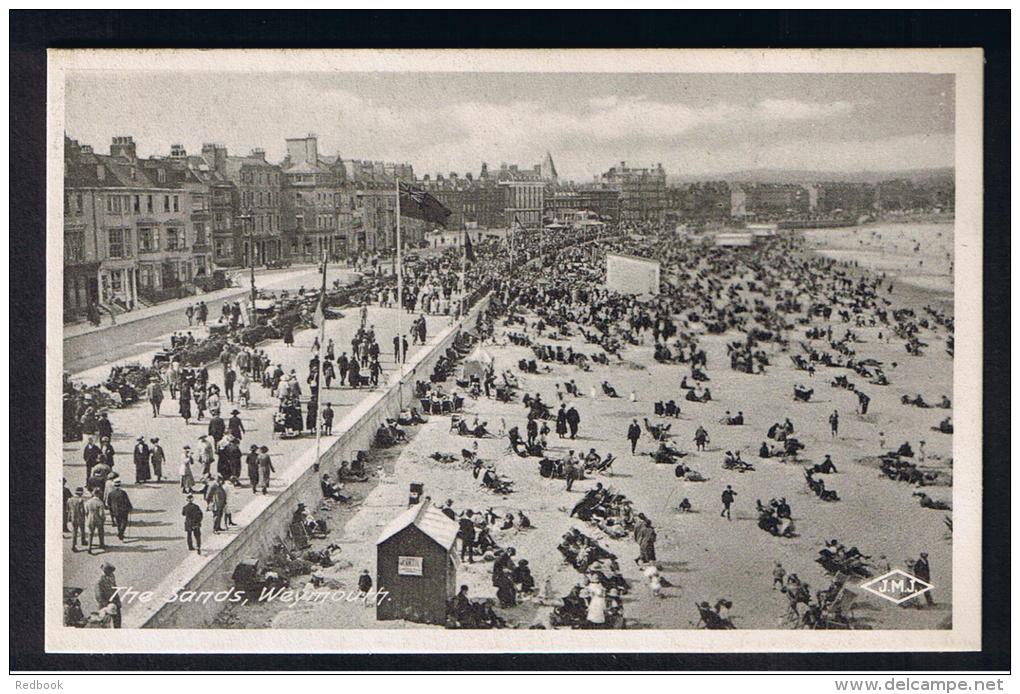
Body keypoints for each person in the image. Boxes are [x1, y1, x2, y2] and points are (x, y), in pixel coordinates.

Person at [95, 563, 121, 629]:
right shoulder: (100, 581)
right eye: (110, 572)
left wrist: (118, 602)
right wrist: (107, 606)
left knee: (117, 624)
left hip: (114, 605)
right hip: (106, 607)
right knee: (105, 625)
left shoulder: (111, 579)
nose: (111, 574)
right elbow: (99, 596)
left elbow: (115, 591)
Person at [84, 488, 106, 553]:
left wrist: (88, 517)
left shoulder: (88, 501)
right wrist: (103, 519)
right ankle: (101, 544)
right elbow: (101, 513)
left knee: (90, 533)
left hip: (90, 518)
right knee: (101, 532)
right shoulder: (100, 502)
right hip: (98, 518)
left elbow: (86, 511)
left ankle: (89, 547)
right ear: (98, 494)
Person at [67, 487, 87, 552]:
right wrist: (84, 515)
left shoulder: (69, 500)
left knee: (74, 531)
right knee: (82, 529)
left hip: (73, 517)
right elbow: (82, 510)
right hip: (80, 517)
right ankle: (83, 540)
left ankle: (73, 545)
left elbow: (68, 510)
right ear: (80, 494)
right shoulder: (80, 500)